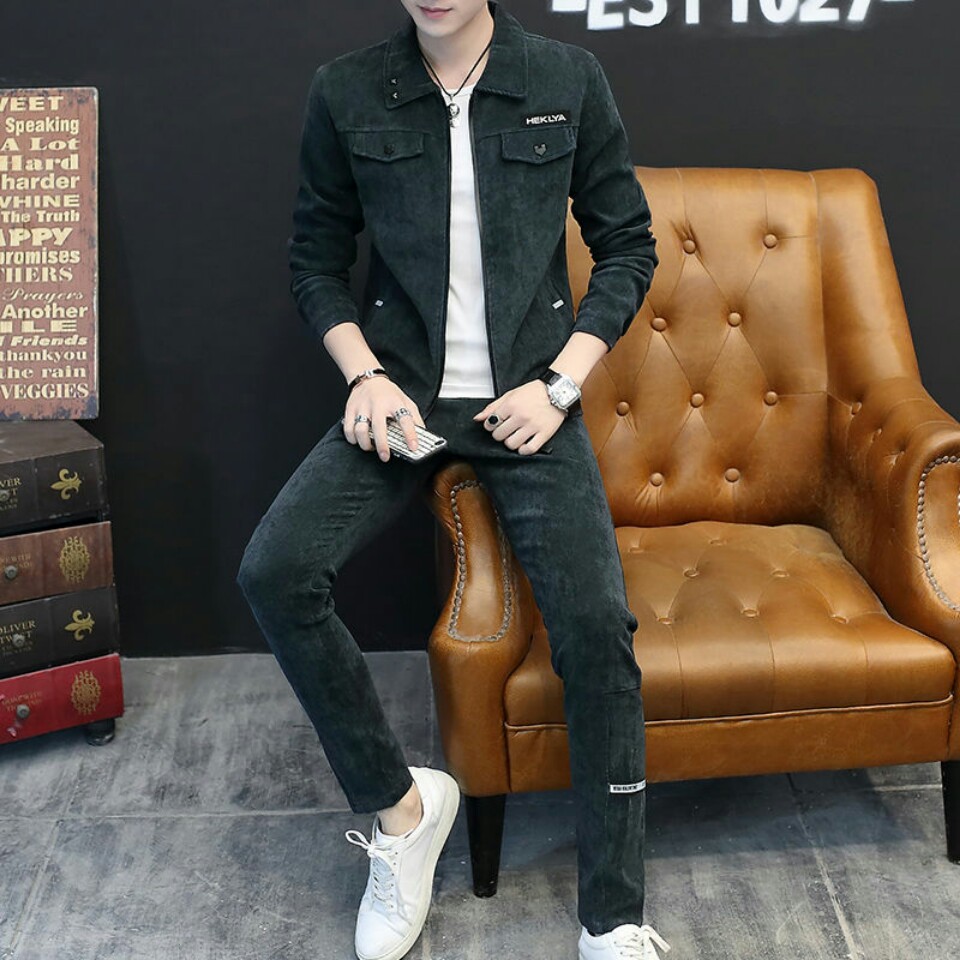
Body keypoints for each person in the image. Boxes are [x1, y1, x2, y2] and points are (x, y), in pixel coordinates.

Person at [236, 2, 667, 958]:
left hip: (530, 402)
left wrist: (561, 386)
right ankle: (403, 814)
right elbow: (315, 262)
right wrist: (364, 375)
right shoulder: (348, 89)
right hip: (403, 400)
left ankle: (615, 916)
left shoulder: (565, 78)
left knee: (598, 629)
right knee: (275, 572)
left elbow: (628, 246)